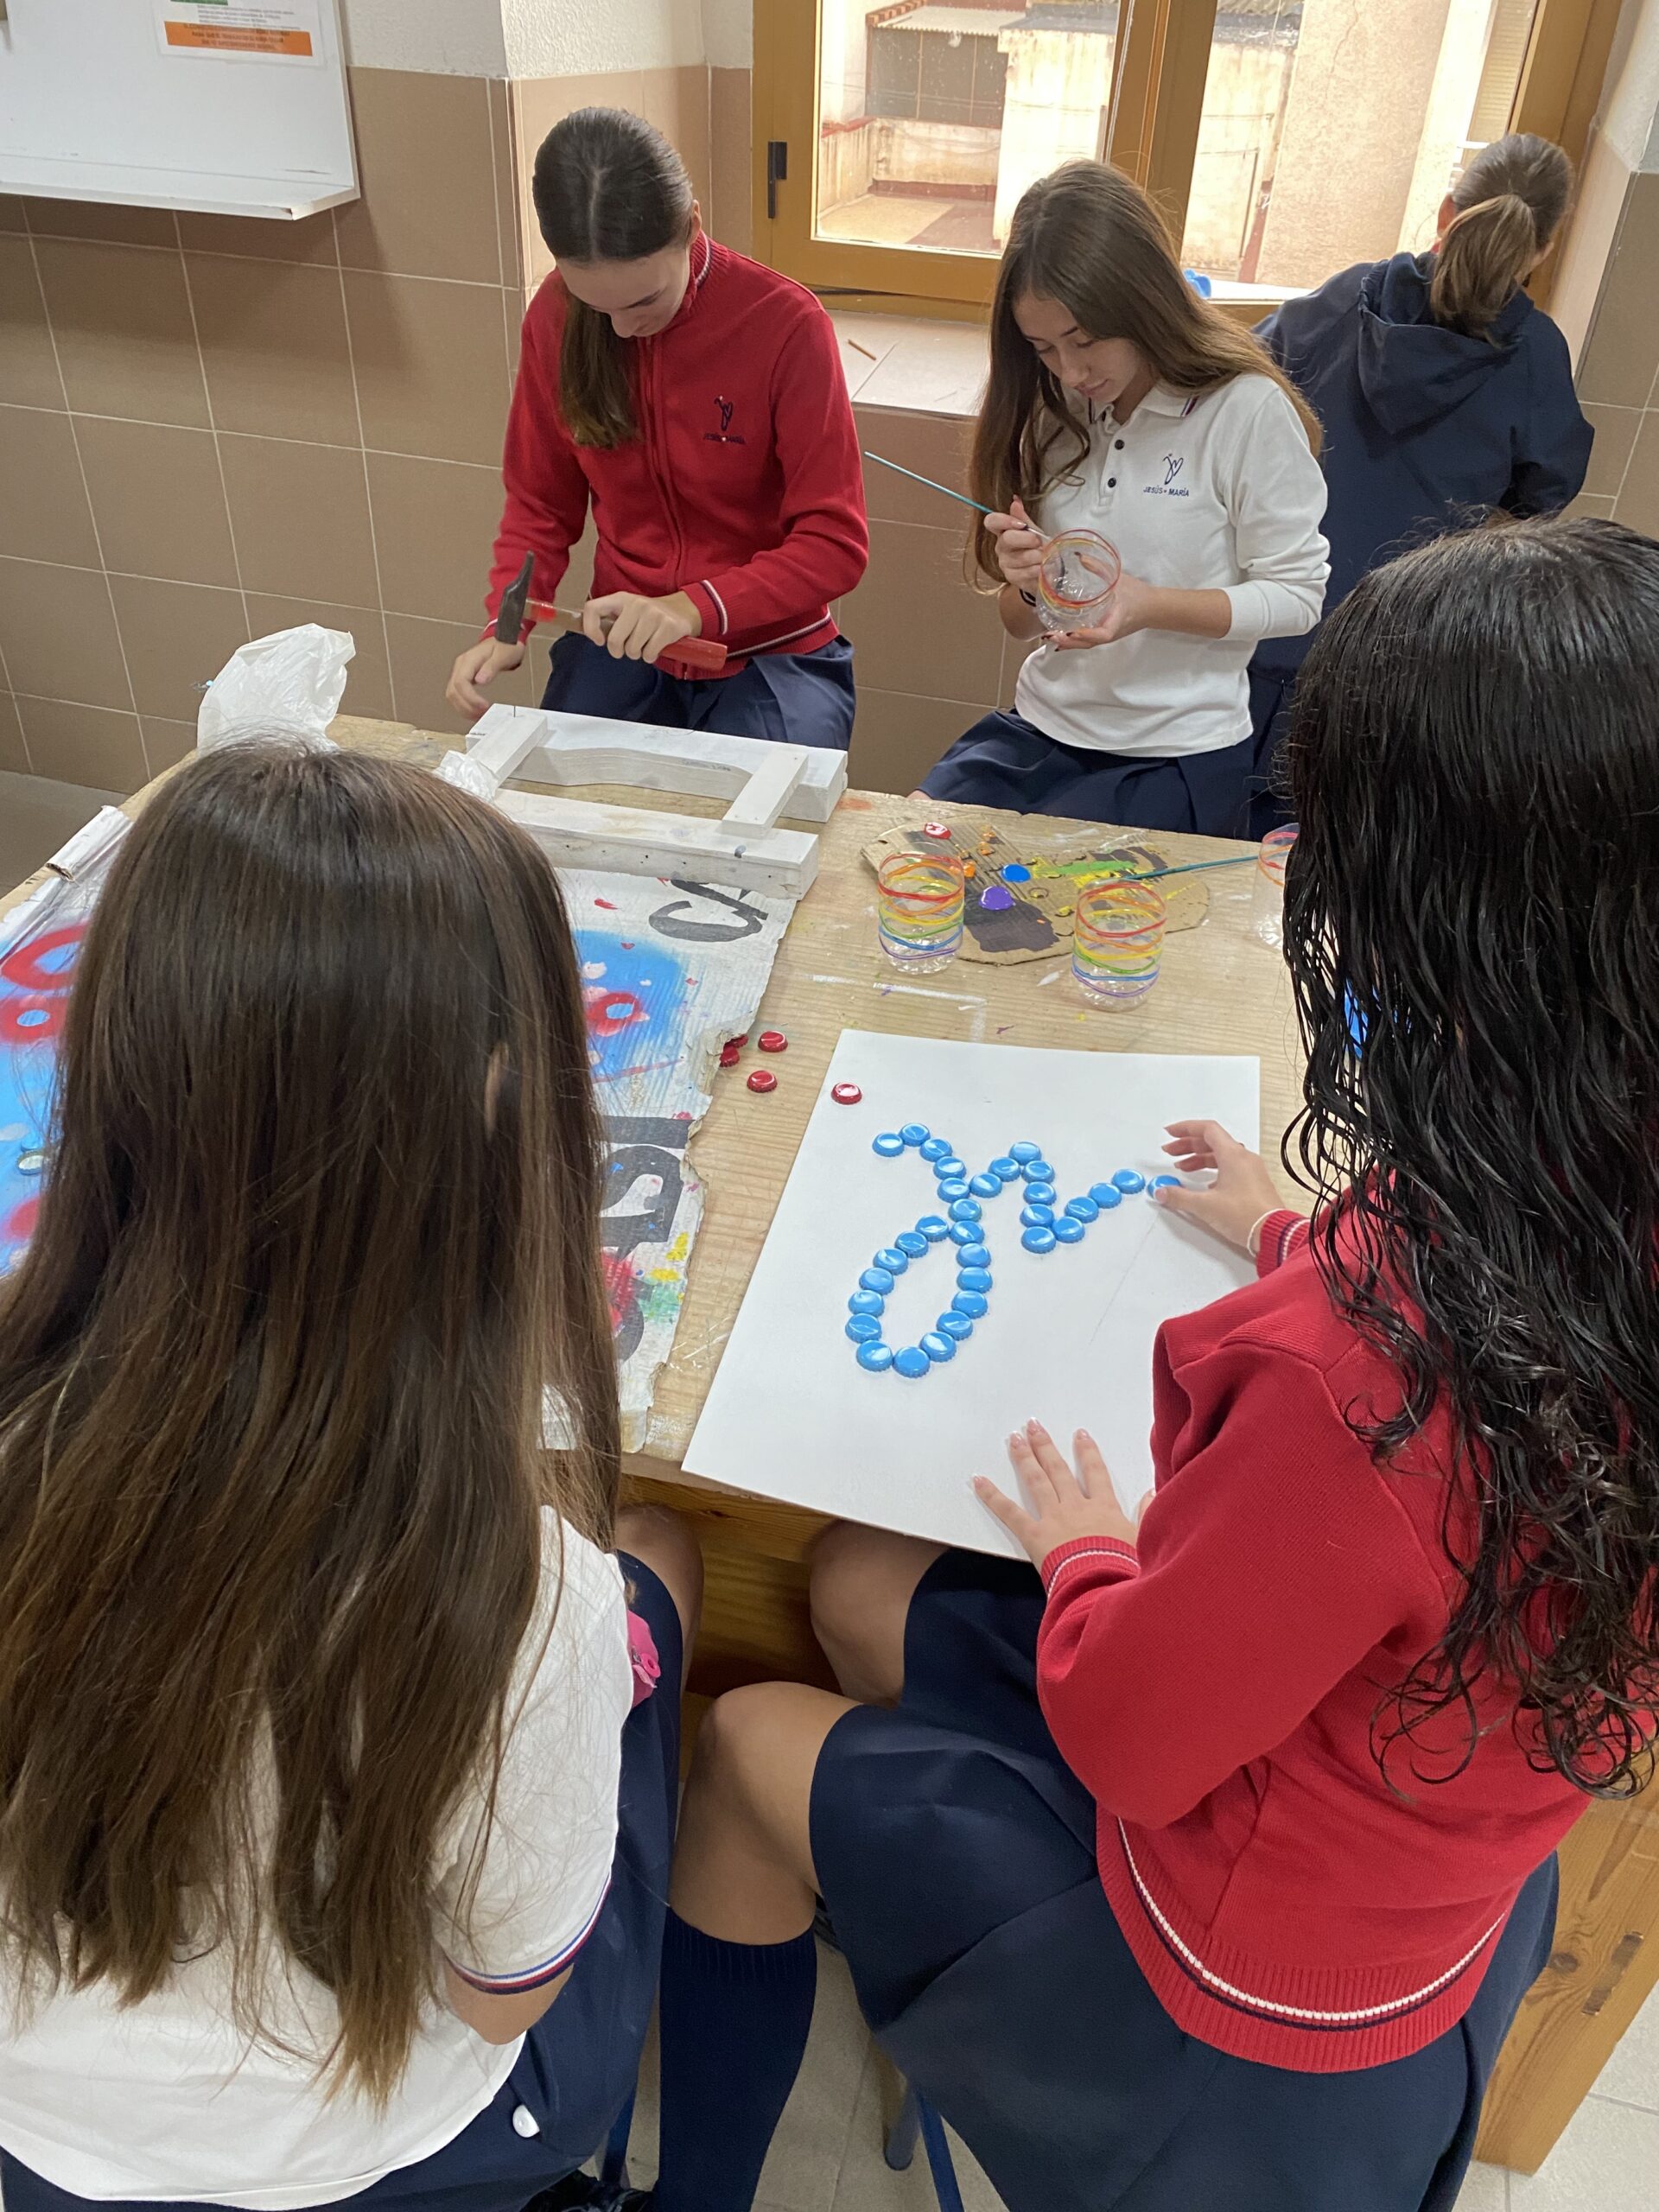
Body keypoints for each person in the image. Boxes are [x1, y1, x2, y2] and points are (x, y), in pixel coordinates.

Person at [645, 515, 1659, 2212]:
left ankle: (699, 2193)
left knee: (749, 1731)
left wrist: (1087, 1548)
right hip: (1419, 1851)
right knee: (873, 1571)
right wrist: (1296, 1229)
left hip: (1221, 1988)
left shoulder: (1360, 1379)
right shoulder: (1571, 1165)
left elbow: (1126, 1736)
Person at [0, 741, 702, 2212]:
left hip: (37, 2129)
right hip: (365, 2152)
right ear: (496, 1122)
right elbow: (500, 1998)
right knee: (663, 1591)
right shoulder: (522, 1600)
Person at [918, 160, 1329, 837]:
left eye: (1085, 341)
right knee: (909, 851)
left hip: (1171, 759)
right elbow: (1023, 626)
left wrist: (1146, 606)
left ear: (1145, 302)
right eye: (1044, 348)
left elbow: (1298, 597)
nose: (1071, 371)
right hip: (1041, 733)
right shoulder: (1059, 413)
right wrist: (1027, 584)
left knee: (1025, 914)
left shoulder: (1243, 412)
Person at [447, 108, 868, 750]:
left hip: (772, 652)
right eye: (596, 306)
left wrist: (690, 607)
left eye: (644, 302)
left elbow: (835, 543)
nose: (620, 330)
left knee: (762, 825)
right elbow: (540, 504)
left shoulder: (785, 325)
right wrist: (504, 627)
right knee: (559, 814)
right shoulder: (554, 318)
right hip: (619, 645)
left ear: (692, 226)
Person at [1247, 132, 1592, 831]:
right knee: (1328, 873)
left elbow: (1236, 386)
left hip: (1264, 629)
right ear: (1544, 249)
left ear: (1445, 211)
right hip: (1396, 671)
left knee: (1209, 856)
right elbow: (1541, 504)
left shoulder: (1347, 299)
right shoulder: (1534, 359)